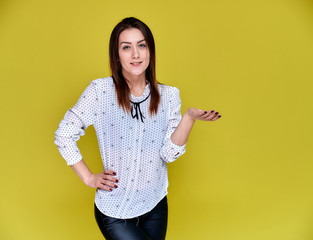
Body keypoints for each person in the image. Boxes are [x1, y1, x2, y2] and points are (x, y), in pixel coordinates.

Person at [54, 17, 221, 240]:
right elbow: (64, 134)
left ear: (150, 51)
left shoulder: (170, 96)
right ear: (116, 55)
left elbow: (169, 155)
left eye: (141, 45)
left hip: (155, 206)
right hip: (114, 211)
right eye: (126, 47)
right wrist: (89, 178)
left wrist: (189, 118)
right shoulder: (100, 92)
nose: (136, 54)